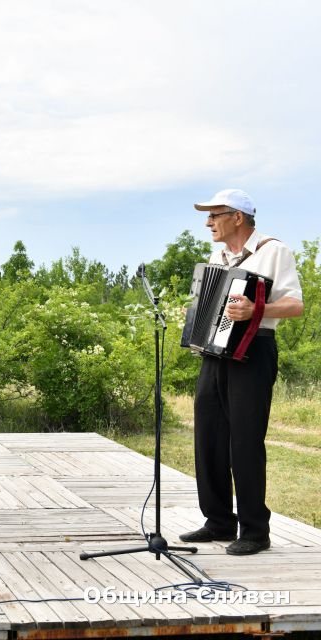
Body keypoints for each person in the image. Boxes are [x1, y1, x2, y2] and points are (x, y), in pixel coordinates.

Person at [180, 189, 303, 556]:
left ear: (237, 217)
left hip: (255, 349)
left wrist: (257, 310)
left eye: (214, 215)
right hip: (215, 352)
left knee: (245, 441)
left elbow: (295, 305)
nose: (207, 222)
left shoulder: (273, 250)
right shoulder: (217, 256)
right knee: (209, 437)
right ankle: (218, 521)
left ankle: (255, 530)